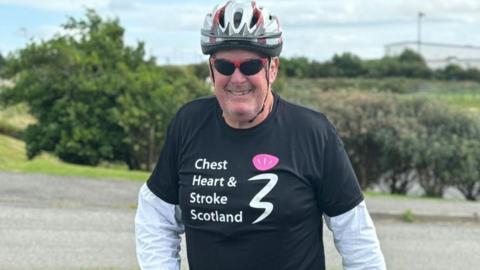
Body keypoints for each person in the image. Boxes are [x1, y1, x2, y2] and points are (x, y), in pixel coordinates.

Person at [135, 1, 386, 269]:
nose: (237, 78)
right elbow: (156, 215)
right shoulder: (189, 123)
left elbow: (356, 237)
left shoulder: (312, 132)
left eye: (251, 66)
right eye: (225, 66)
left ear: (272, 69)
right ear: (211, 70)